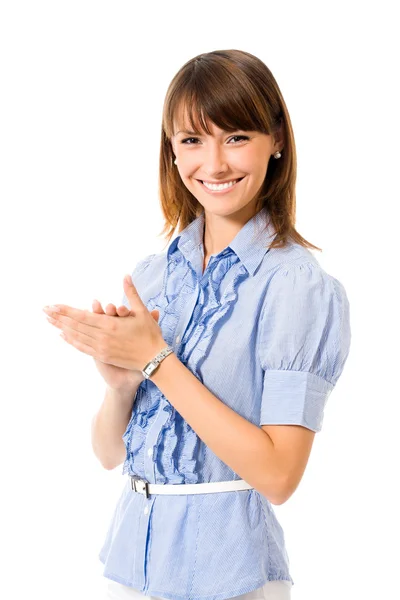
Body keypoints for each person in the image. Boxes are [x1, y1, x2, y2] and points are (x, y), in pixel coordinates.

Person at [44, 49, 351, 600]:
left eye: (236, 137)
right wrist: (121, 387)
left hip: (228, 575)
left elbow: (280, 477)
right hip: (133, 566)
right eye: (191, 140)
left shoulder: (296, 287)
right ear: (171, 150)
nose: (213, 164)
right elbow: (109, 454)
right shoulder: (154, 276)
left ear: (276, 138)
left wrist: (157, 362)